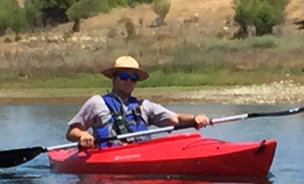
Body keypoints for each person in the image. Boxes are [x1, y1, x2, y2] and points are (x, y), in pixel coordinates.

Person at [66, 55, 210, 148]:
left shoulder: (145, 106)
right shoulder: (96, 103)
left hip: (140, 155)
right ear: (114, 78)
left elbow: (176, 119)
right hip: (107, 158)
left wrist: (195, 118)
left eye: (133, 78)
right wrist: (82, 135)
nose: (129, 81)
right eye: (123, 76)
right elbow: (72, 131)